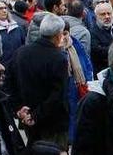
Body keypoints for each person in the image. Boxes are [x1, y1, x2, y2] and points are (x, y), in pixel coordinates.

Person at [5, 14, 70, 146]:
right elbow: (58, 94)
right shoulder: (58, 58)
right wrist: (35, 116)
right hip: (52, 122)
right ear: (58, 35)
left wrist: (19, 109)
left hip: (28, 117)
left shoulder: (21, 52)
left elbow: (9, 83)